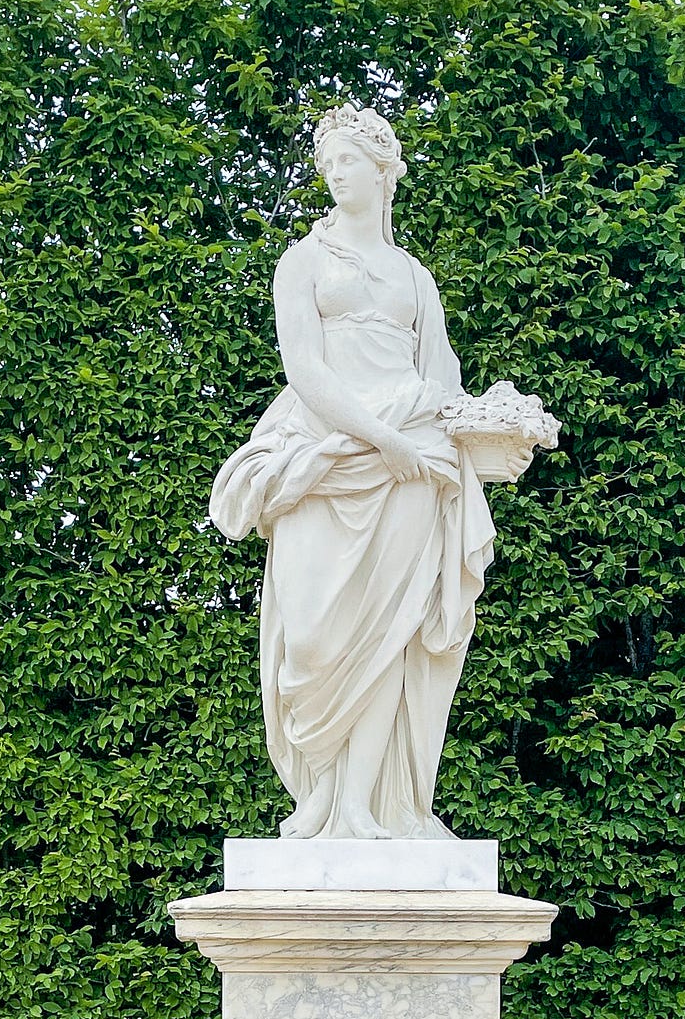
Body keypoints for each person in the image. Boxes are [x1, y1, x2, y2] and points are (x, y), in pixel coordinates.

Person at [210, 106, 521, 839]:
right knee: (313, 637)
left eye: (346, 159)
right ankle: (317, 790)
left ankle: (358, 802)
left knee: (389, 633)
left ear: (383, 170)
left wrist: (488, 427)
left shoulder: (414, 277)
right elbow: (305, 370)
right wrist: (380, 435)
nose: (332, 171)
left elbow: (441, 377)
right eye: (327, 161)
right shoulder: (304, 261)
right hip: (325, 458)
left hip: (409, 466)